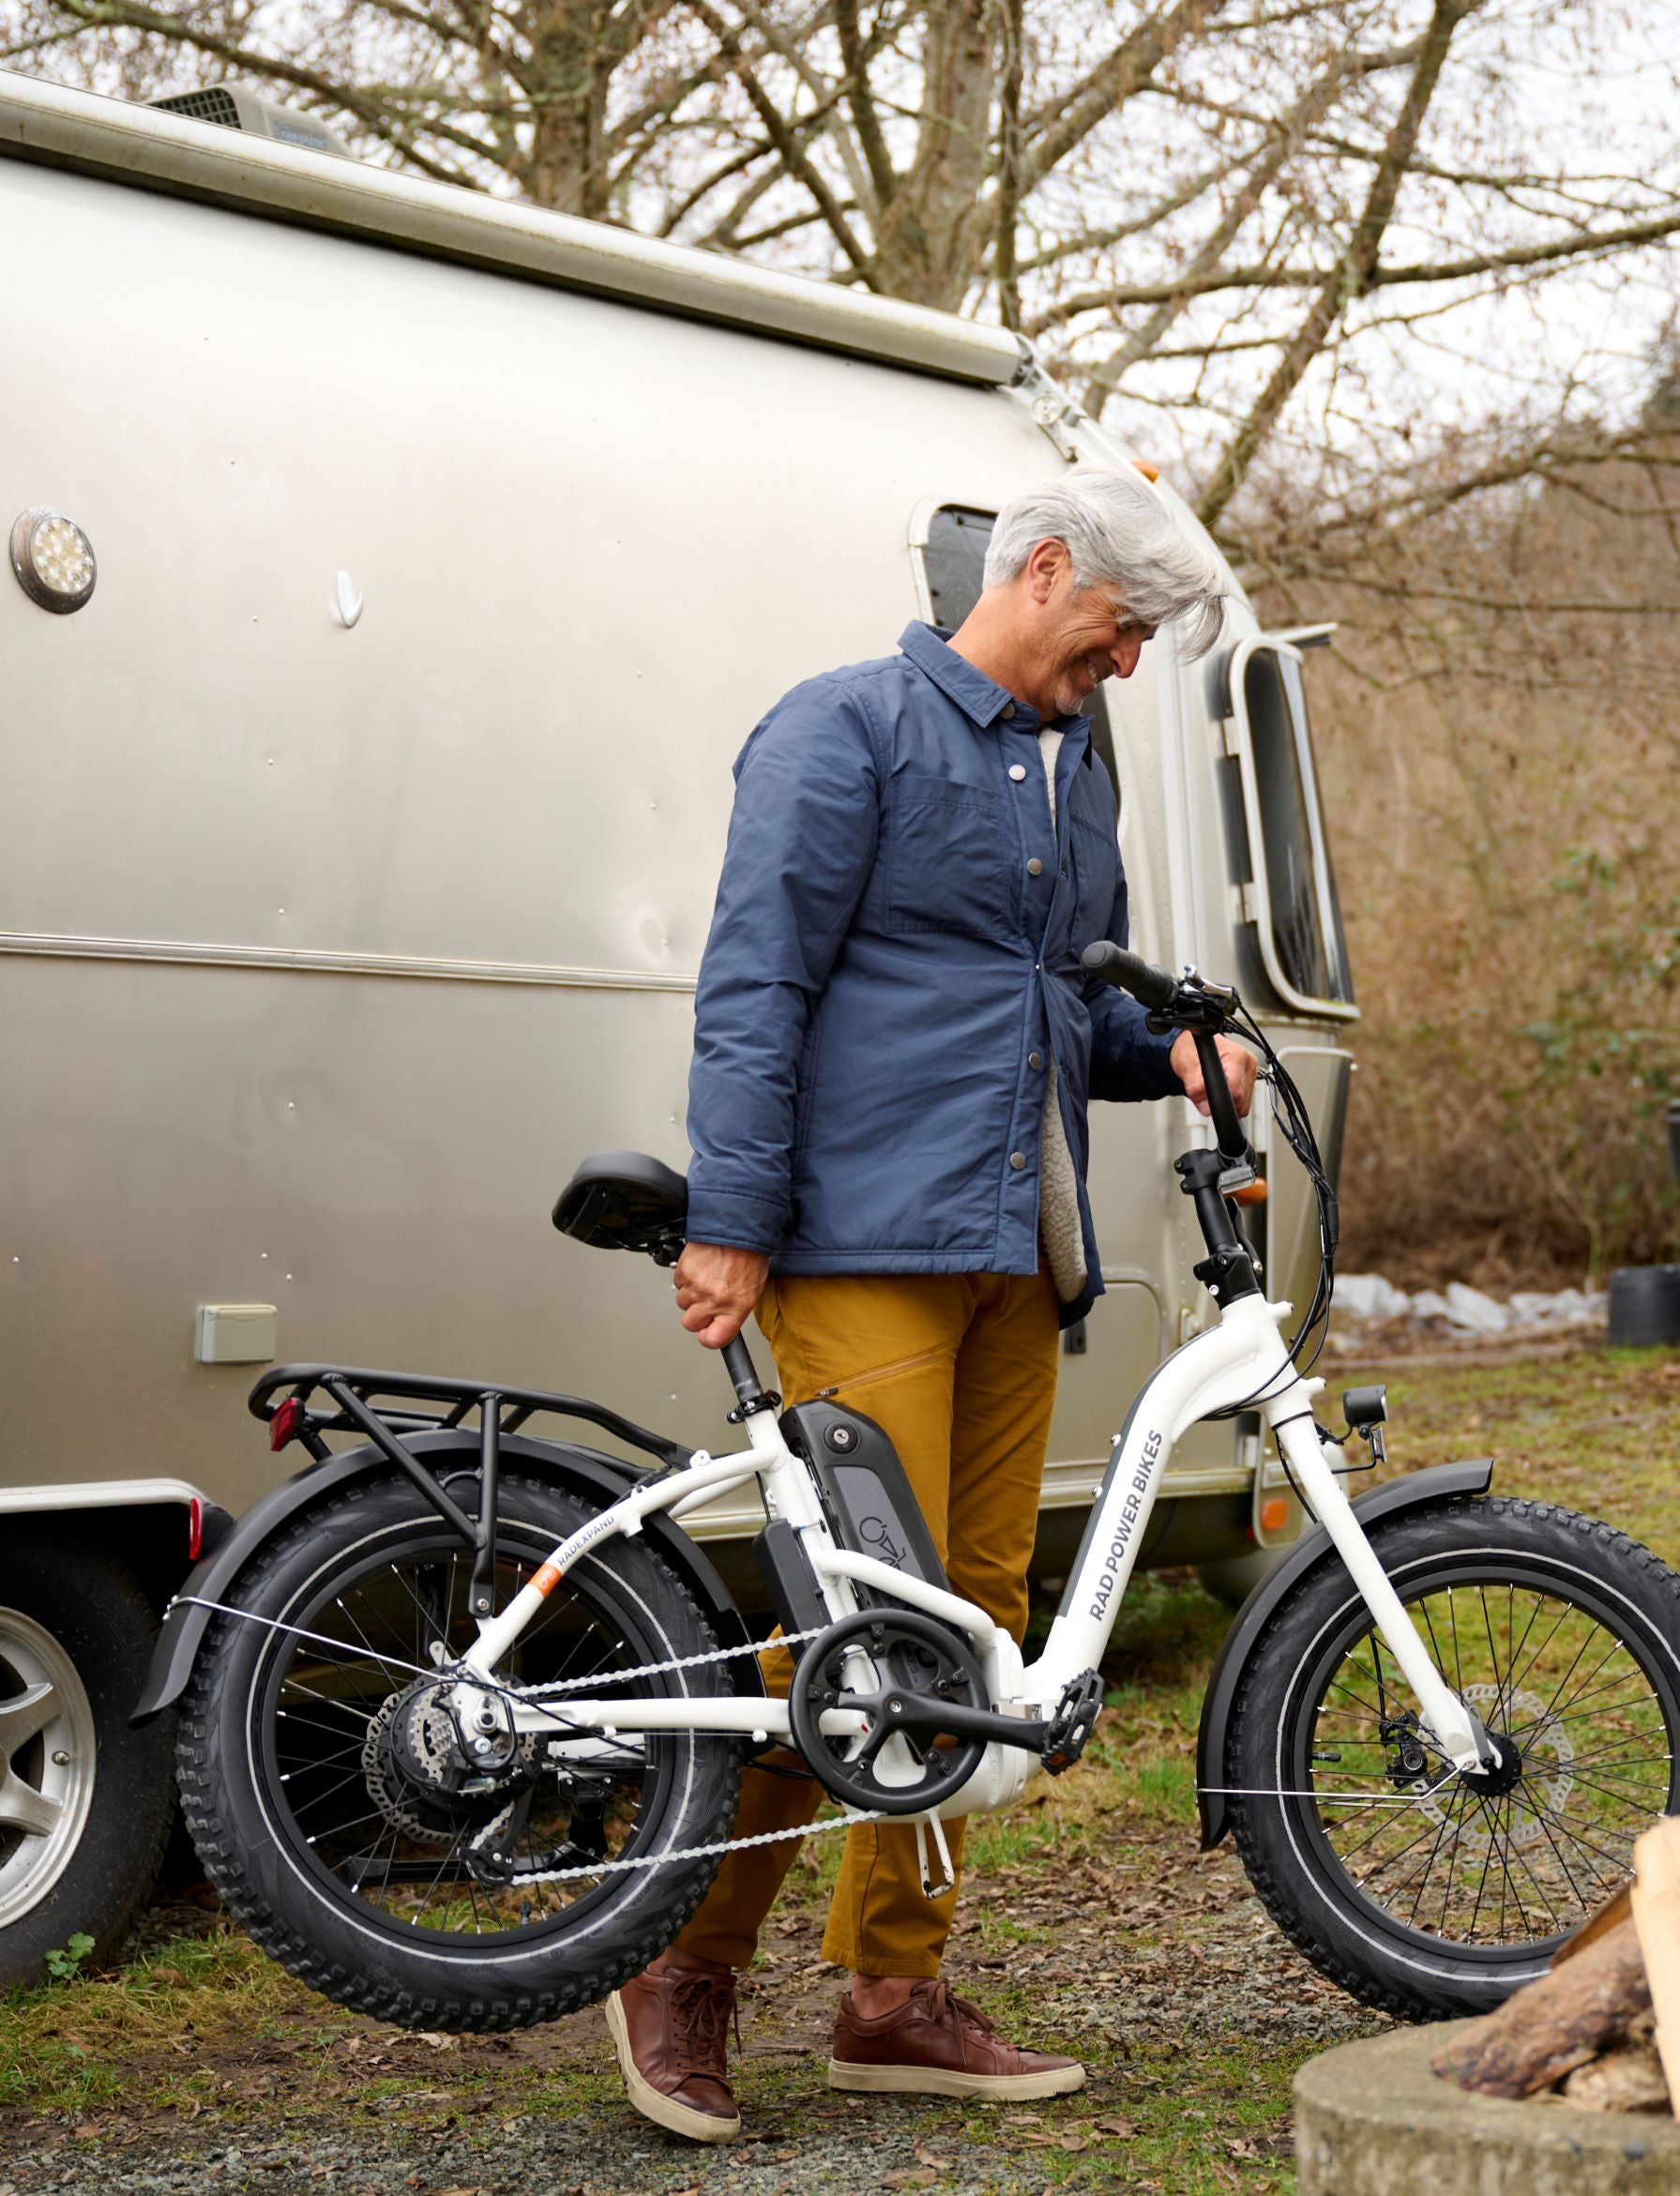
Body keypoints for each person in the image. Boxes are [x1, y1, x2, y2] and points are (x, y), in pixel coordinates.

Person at [604, 468, 1256, 2143]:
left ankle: (893, 1992)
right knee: (855, 1619)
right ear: (1042, 573)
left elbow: (1056, 1002)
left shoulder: (1071, 767)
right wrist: (734, 1216)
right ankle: (679, 1959)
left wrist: (1173, 1045)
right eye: (1118, 633)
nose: (1123, 669)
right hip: (862, 1243)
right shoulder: (845, 730)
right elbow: (757, 980)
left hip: (1013, 1256)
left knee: (972, 1621)